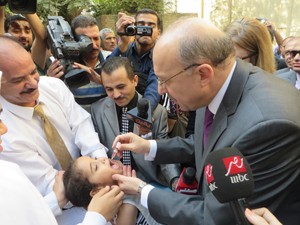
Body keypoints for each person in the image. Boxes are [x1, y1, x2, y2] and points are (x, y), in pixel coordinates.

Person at [111, 17, 300, 225]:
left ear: (203, 73)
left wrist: (142, 191)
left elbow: (224, 217)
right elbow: (207, 146)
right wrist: (148, 146)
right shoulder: (215, 87)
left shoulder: (268, 128)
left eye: (165, 80)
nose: (160, 90)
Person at [0, 35, 108, 225]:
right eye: (19, 80)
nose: (34, 83)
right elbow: (51, 185)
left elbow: (82, 125)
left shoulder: (53, 86)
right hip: (59, 212)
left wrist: (101, 160)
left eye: (33, 71)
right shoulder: (4, 134)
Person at [88, 56, 180, 189]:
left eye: (121, 87)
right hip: (112, 181)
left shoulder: (158, 112)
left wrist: (175, 180)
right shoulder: (97, 109)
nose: (116, 94)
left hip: (147, 179)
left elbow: (164, 150)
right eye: (109, 89)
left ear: (135, 80)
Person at [63, 156, 162, 225]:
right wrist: (131, 195)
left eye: (95, 158)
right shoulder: (119, 206)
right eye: (96, 167)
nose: (101, 159)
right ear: (96, 191)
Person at [47, 15, 106, 113]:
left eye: (96, 38)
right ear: (74, 41)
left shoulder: (111, 59)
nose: (94, 45)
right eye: (86, 40)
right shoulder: (62, 66)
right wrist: (50, 82)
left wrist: (104, 81)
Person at [109, 9, 161, 112]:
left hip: (146, 113)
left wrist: (143, 114)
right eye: (141, 24)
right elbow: (106, 72)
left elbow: (154, 88)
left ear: (158, 33)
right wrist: (121, 48)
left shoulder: (161, 55)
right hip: (120, 111)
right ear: (133, 28)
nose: (145, 28)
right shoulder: (124, 47)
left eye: (151, 25)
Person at [0, 7, 48, 74]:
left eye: (27, 31)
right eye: (16, 31)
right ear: (6, 34)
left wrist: (23, 4)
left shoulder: (35, 61)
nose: (23, 35)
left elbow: (42, 37)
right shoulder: (2, 62)